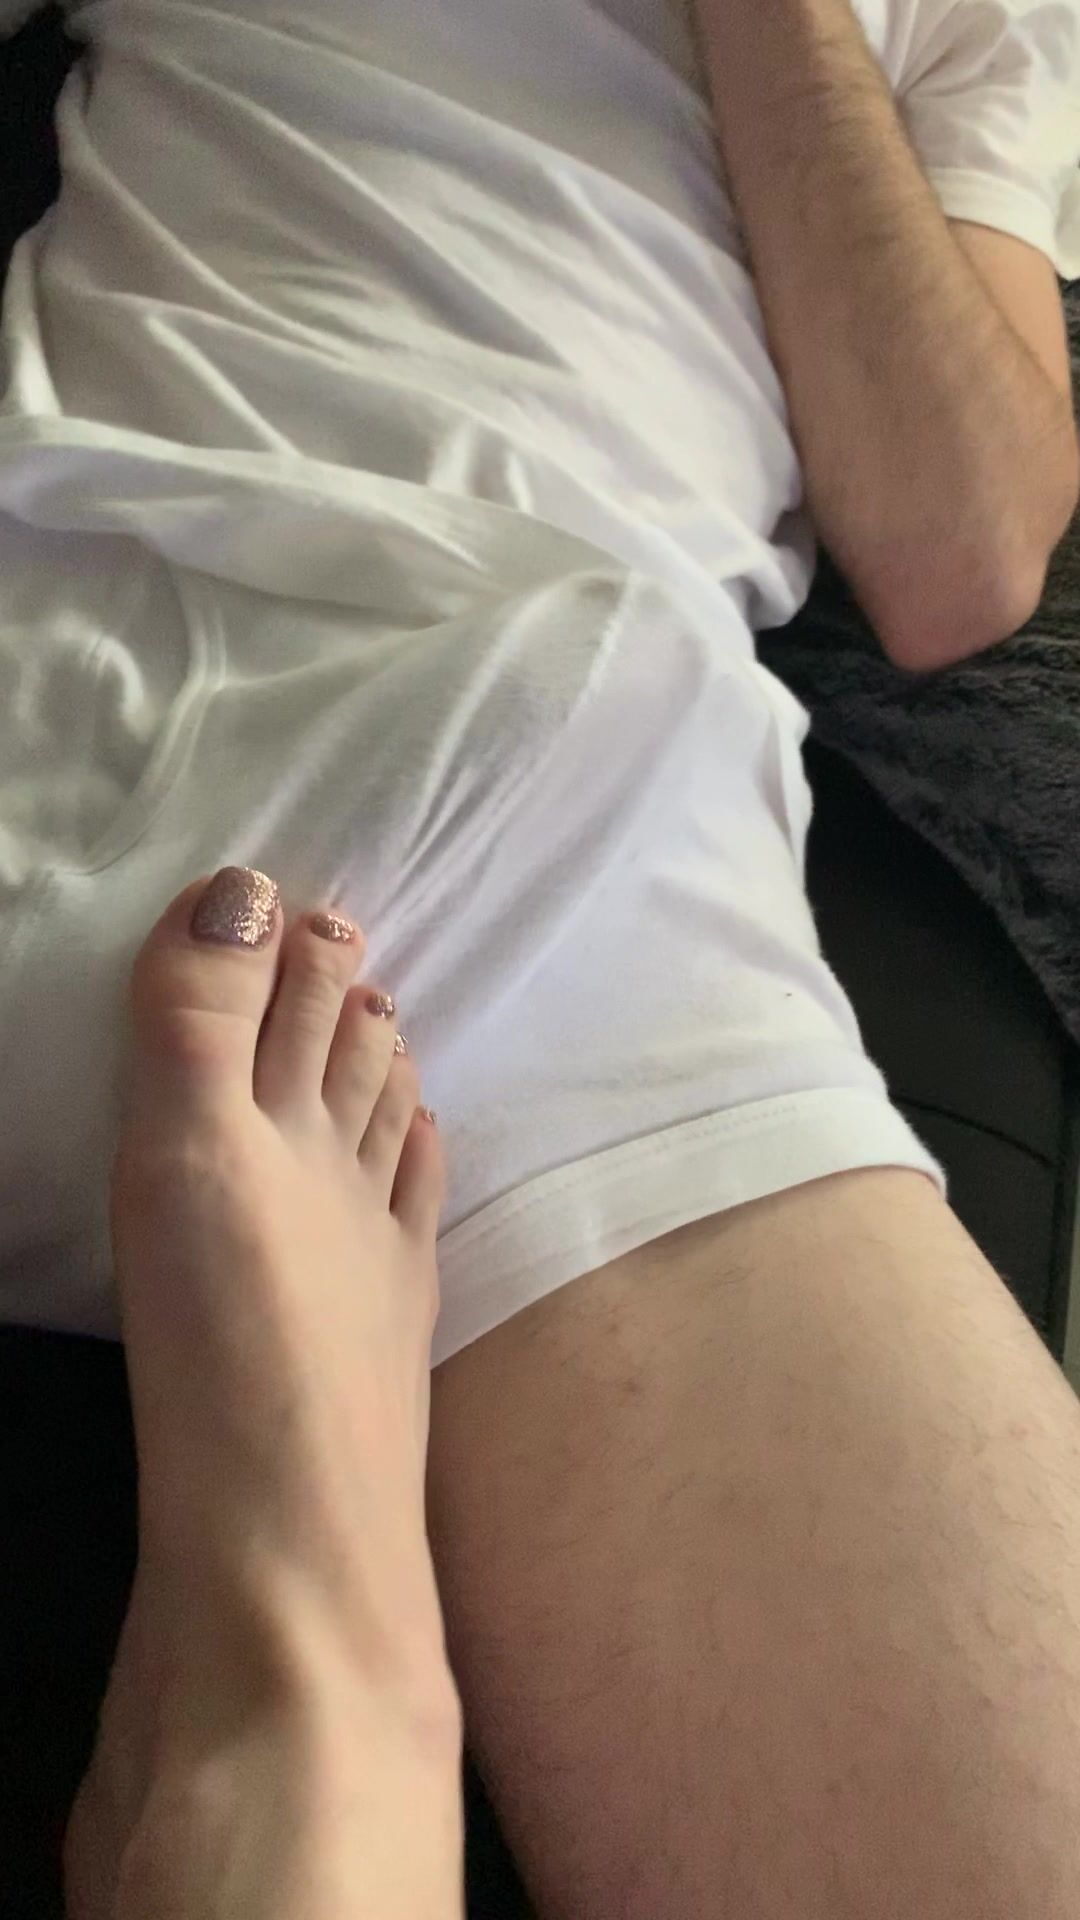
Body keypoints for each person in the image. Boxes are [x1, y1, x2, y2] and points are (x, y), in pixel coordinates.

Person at [1, 0, 1079, 1910]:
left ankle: (305, 1714)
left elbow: (958, 551)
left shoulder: (977, 23)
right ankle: (307, 1680)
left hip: (536, 827)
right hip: (68, 624)